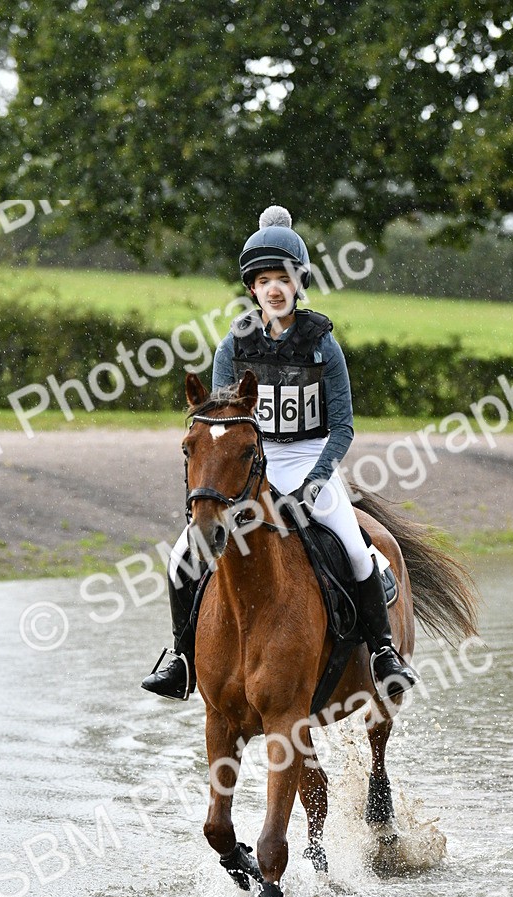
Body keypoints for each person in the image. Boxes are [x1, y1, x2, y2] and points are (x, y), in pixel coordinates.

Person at [141, 204, 417, 701]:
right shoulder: (233, 346)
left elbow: (343, 427)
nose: (274, 289)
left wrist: (316, 481)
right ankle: (182, 659)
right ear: (252, 288)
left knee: (358, 550)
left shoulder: (323, 345)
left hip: (310, 458)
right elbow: (223, 426)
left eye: (284, 279)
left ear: (298, 284)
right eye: (264, 280)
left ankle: (382, 653)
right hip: (253, 464)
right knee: (182, 557)